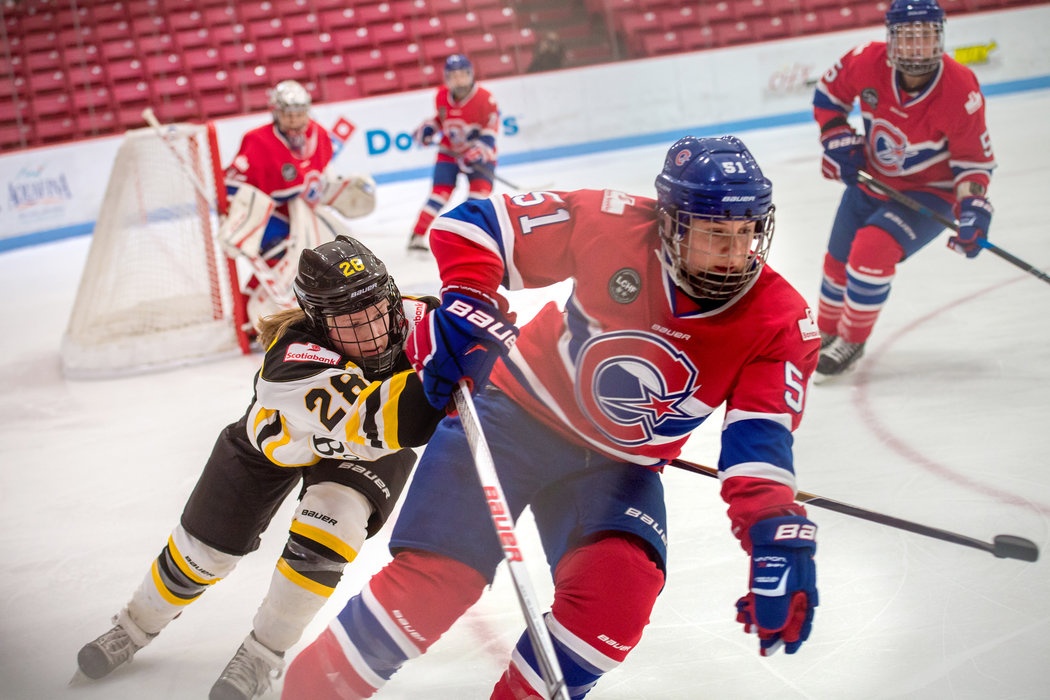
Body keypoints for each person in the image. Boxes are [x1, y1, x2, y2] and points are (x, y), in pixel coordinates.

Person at [281, 135, 822, 699]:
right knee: (432, 588)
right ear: (671, 223)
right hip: (512, 417)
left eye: (746, 233)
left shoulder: (780, 321)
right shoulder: (611, 222)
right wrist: (470, 303)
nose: (736, 254)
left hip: (618, 468)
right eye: (715, 233)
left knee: (615, 603)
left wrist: (772, 530)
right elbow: (472, 224)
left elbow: (759, 444)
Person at [75, 235, 444, 700]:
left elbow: (466, 336)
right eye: (351, 323)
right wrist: (450, 370)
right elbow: (395, 418)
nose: (372, 331)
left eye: (376, 311)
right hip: (275, 446)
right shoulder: (292, 364)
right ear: (318, 323)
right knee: (202, 553)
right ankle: (134, 625)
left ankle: (262, 654)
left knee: (328, 533)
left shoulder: (419, 318)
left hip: (362, 451)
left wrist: (482, 338)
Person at [812, 0, 995, 378]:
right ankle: (824, 332)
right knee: (837, 261)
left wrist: (972, 208)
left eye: (925, 37)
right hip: (872, 178)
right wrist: (836, 136)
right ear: (892, 39)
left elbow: (973, 161)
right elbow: (829, 94)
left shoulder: (960, 89)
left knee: (871, 251)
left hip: (930, 192)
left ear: (939, 38)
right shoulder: (866, 60)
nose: (916, 47)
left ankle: (852, 339)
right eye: (908, 37)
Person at [221, 79, 377, 326]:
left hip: (302, 215)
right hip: (268, 214)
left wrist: (335, 189)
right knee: (280, 257)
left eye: (299, 113)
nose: (294, 120)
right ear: (276, 112)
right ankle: (249, 318)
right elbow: (231, 183)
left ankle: (252, 318)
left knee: (318, 257)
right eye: (288, 114)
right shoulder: (256, 140)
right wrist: (235, 212)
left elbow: (322, 178)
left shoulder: (319, 135)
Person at [407, 54, 500, 252]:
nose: (458, 80)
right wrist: (429, 129)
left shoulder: (486, 99)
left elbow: (490, 133)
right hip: (449, 152)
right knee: (439, 193)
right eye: (453, 76)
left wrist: (477, 151)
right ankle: (416, 236)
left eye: (462, 75)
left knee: (478, 198)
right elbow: (441, 119)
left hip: (480, 156)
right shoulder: (441, 95)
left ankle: (467, 238)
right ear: (447, 78)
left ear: (470, 74)